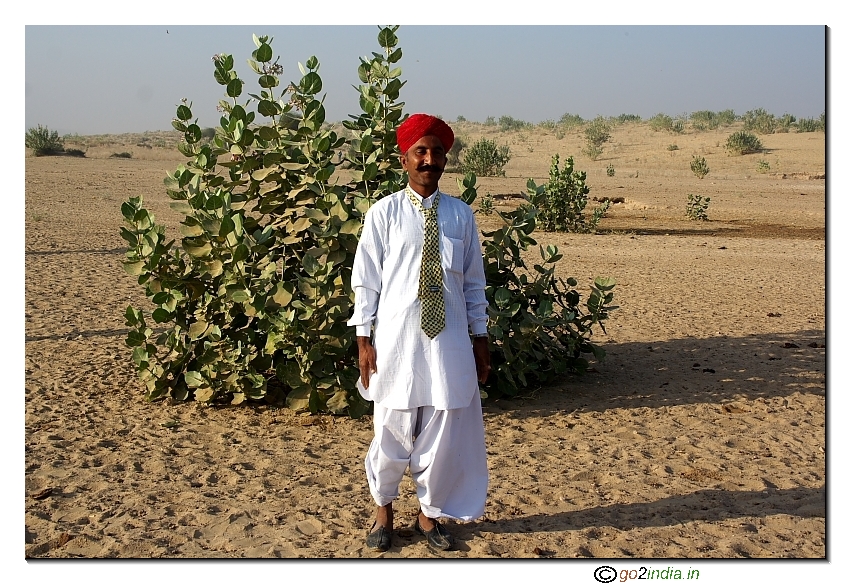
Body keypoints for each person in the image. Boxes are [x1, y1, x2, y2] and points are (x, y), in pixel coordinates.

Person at [347, 113, 491, 552]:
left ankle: (428, 518)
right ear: (405, 159)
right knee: (390, 428)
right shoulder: (383, 214)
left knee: (442, 431)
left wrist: (481, 339)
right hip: (396, 341)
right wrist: (364, 340)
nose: (430, 160)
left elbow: (472, 283)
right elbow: (365, 280)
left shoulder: (460, 216)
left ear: (446, 158)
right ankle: (383, 513)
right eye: (421, 152)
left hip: (447, 344)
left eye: (438, 152)